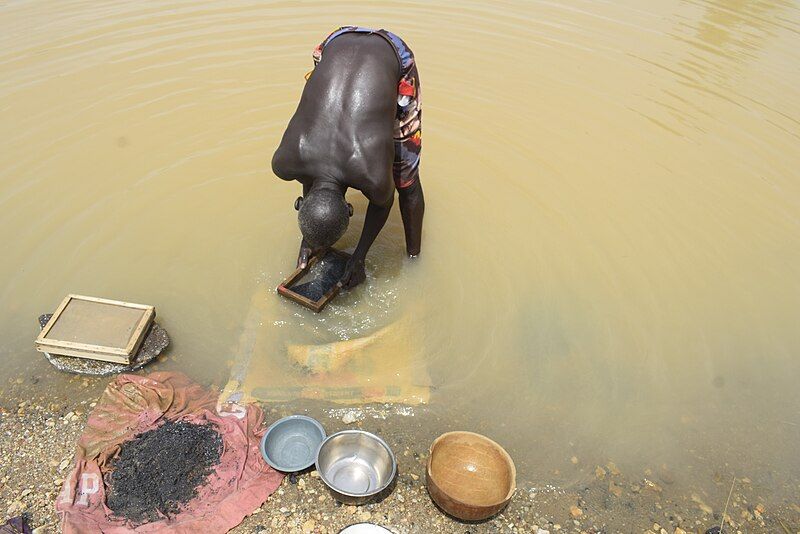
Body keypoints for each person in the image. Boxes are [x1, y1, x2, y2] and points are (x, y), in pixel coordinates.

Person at [272, 26, 424, 289]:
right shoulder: (285, 162)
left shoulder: (371, 175)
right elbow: (310, 174)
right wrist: (310, 235)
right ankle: (414, 262)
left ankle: (415, 258)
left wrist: (360, 257)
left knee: (405, 179)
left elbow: (383, 202)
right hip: (333, 42)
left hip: (394, 57)